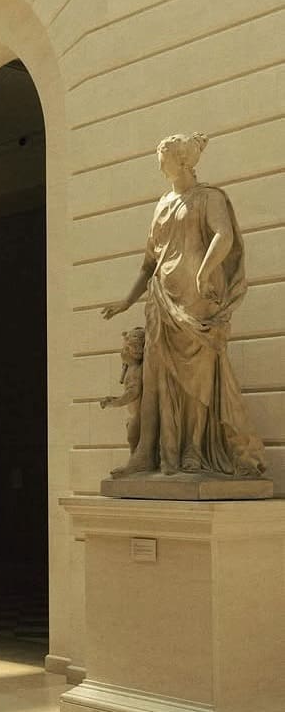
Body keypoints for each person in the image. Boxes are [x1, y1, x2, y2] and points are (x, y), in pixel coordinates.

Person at [101, 132, 265, 478]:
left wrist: (204, 272)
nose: (160, 162)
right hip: (162, 302)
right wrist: (127, 300)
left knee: (198, 380)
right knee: (157, 378)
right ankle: (153, 454)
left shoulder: (209, 198)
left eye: (165, 156)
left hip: (197, 304)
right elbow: (149, 263)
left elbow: (224, 236)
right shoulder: (161, 205)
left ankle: (193, 451)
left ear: (183, 161)